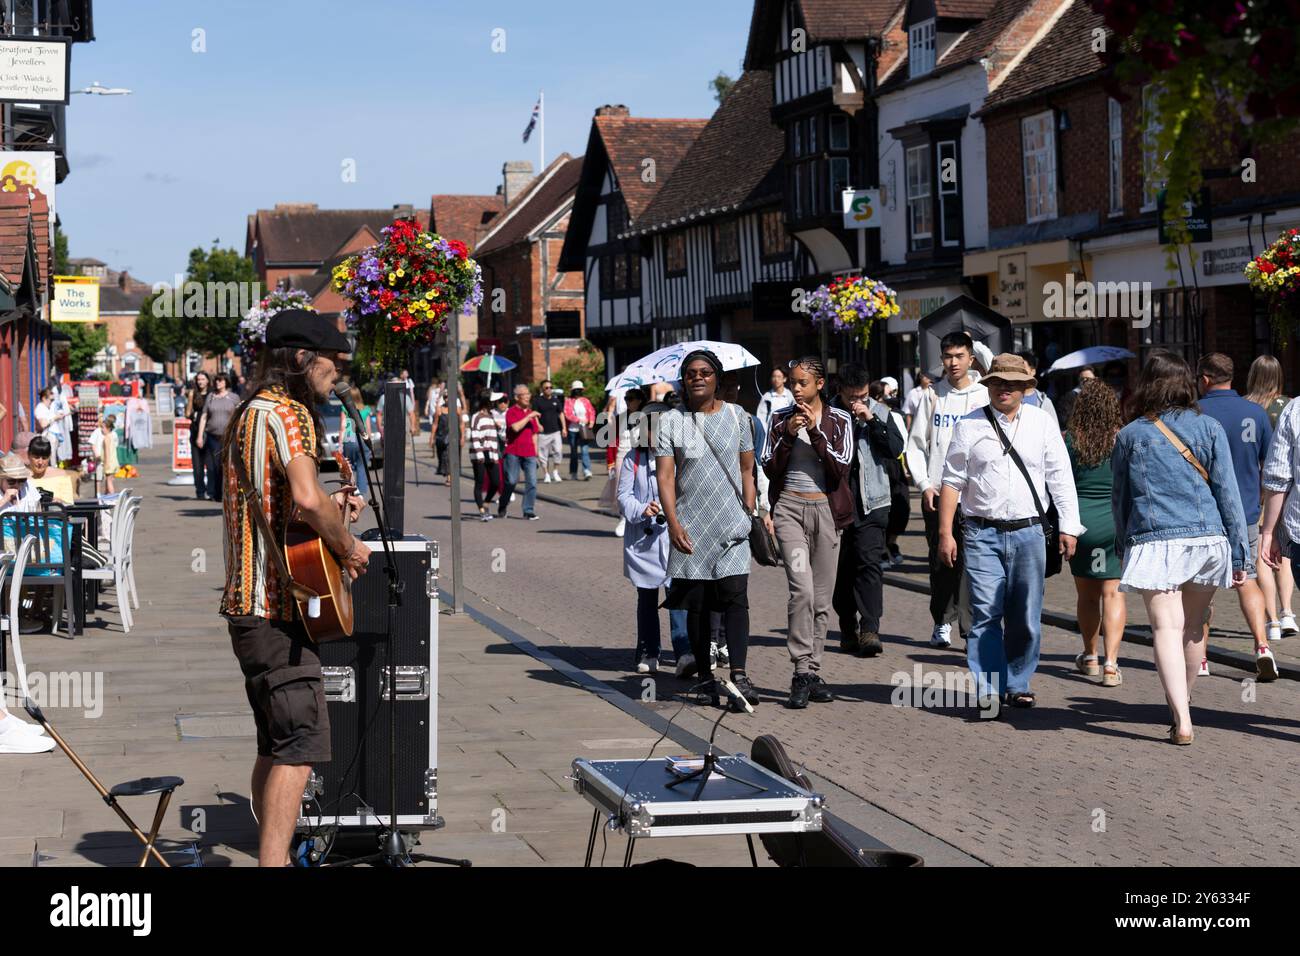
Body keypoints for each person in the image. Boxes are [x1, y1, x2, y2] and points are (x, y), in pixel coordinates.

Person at [220, 308, 371, 866]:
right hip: (277, 607)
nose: (339, 371)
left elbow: (289, 511)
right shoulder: (290, 414)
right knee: (301, 746)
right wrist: (349, 546)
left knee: (274, 742)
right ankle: (274, 863)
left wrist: (337, 512)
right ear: (304, 359)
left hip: (247, 605)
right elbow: (308, 500)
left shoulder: (246, 412)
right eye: (332, 360)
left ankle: (271, 850)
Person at [1112, 351, 1249, 745]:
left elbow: (1120, 499)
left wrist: (1123, 546)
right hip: (1206, 538)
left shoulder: (1130, 435)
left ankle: (1183, 718)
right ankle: (1183, 705)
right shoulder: (1208, 428)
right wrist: (1239, 552)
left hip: (1154, 540)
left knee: (1165, 628)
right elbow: (1228, 493)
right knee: (1193, 628)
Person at [939, 354, 1082, 710]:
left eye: (1012, 383)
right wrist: (945, 533)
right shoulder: (968, 426)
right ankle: (989, 688)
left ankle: (1018, 682)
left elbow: (1060, 476)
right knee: (985, 612)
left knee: (1025, 614)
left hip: (1030, 533)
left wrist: (1069, 526)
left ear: (1025, 388)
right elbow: (952, 481)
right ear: (988, 386)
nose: (1004, 389)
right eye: (998, 382)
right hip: (981, 532)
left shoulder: (1042, 423)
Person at [657, 349, 758, 711]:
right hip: (691, 527)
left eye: (705, 372)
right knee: (697, 606)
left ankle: (740, 675)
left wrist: (749, 510)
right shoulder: (670, 422)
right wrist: (673, 523)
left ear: (717, 378)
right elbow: (665, 477)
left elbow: (748, 469)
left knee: (735, 597)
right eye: (690, 373)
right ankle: (704, 676)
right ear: (683, 381)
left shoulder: (738, 417)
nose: (697, 378)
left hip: (731, 523)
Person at [763, 357, 853, 708]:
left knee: (821, 598)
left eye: (801, 382)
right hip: (789, 511)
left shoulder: (839, 419)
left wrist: (815, 431)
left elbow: (840, 468)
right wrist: (788, 436)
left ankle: (813, 671)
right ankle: (801, 670)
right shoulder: (778, 419)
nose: (795, 388)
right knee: (801, 590)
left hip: (826, 513)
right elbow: (769, 467)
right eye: (791, 381)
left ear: (819, 384)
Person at [1195, 353, 1278, 680]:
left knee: (1203, 589)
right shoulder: (1255, 413)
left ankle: (1200, 659)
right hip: (1245, 512)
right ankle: (1261, 646)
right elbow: (1270, 465)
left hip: (1206, 515)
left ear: (1204, 379)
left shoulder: (1196, 412)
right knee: (1248, 580)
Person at [905, 330, 988, 648]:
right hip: (939, 493)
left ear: (970, 358)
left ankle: (969, 627)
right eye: (947, 356)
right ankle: (942, 621)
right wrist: (924, 484)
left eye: (959, 356)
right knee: (942, 561)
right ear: (941, 359)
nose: (953, 363)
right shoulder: (932, 395)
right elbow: (916, 445)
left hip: (975, 494)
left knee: (973, 562)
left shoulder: (983, 394)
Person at [830, 363, 904, 658]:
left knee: (869, 564)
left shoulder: (881, 412)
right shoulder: (826, 413)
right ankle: (847, 628)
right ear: (840, 391)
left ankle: (870, 628)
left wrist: (872, 421)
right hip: (835, 505)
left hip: (872, 502)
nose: (857, 402)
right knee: (841, 570)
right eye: (852, 397)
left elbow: (895, 449)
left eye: (862, 395)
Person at [618, 403, 693, 675]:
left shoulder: (681, 457)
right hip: (645, 541)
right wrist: (641, 509)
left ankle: (684, 652)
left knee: (677, 596)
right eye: (649, 426)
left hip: (673, 536)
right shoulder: (632, 459)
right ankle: (649, 650)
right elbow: (623, 497)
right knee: (647, 597)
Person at [1065, 380, 1126, 686]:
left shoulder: (1071, 440)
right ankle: (1111, 665)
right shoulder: (1122, 438)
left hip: (1081, 523)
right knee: (1113, 593)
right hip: (1114, 521)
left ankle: (1090, 656)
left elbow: (1060, 483)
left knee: (1086, 596)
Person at [1245, 355, 1297, 642]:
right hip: (1284, 487)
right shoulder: (1288, 406)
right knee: (1284, 549)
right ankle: (1288, 611)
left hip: (1255, 486)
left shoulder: (1245, 406)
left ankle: (1272, 620)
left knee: (1262, 553)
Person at [500, 384, 542, 520]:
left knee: (532, 482)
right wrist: (529, 417)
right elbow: (515, 428)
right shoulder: (511, 412)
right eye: (525, 394)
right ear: (517, 397)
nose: (528, 396)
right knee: (511, 481)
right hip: (513, 452)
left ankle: (528, 510)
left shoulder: (530, 413)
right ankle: (503, 504)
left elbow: (535, 434)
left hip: (529, 453)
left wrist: (536, 454)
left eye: (528, 394)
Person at [198, 373, 240, 502]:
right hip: (212, 436)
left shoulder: (233, 397)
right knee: (213, 466)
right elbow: (204, 416)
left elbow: (238, 416)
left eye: (220, 381)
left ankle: (226, 493)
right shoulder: (211, 397)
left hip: (228, 437)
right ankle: (215, 493)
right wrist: (200, 436)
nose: (217, 383)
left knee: (225, 466)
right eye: (216, 381)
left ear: (226, 382)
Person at [467, 393, 502, 521]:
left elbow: (494, 437)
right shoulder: (476, 416)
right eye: (493, 401)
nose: (495, 403)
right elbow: (475, 436)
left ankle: (486, 502)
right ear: (487, 402)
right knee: (480, 482)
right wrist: (479, 454)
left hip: (491, 453)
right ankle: (482, 510)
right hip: (479, 453)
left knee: (495, 481)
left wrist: (498, 428)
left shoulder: (491, 416)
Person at [338, 385, 372, 498]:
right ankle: (360, 493)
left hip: (349, 437)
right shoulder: (366, 409)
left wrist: (340, 444)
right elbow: (368, 427)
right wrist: (369, 442)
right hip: (362, 438)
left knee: (349, 466)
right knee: (362, 466)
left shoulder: (345, 408)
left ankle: (350, 489)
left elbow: (343, 426)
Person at [27, 435, 80, 504]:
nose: (40, 462)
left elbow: (69, 504)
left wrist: (59, 502)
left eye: (44, 458)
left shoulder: (62, 476)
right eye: (36, 457)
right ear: (29, 455)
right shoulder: (21, 477)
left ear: (50, 456)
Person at [533, 379, 567, 483]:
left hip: (555, 431)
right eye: (546, 388)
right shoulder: (538, 401)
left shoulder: (556, 400)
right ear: (542, 389)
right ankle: (546, 474)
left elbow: (561, 414)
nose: (549, 389)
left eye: (550, 387)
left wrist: (564, 428)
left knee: (558, 451)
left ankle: (555, 471)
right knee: (543, 455)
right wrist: (538, 424)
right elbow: (534, 414)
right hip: (543, 433)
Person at [186, 371, 212, 500]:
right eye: (198, 379)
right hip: (196, 430)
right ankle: (200, 491)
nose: (200, 382)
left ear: (208, 380)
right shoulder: (193, 393)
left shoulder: (212, 394)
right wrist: (190, 399)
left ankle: (212, 490)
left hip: (210, 431)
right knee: (197, 465)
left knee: (211, 464)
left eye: (203, 379)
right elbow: (187, 413)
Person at [564, 381, 595, 480]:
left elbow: (591, 411)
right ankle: (573, 472)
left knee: (584, 450)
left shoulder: (585, 401)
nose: (578, 391)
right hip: (573, 429)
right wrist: (578, 420)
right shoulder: (568, 401)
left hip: (584, 429)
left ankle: (587, 471)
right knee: (573, 452)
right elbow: (567, 414)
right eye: (576, 390)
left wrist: (591, 421)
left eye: (579, 390)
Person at [1017, 351, 1058, 425]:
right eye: (1016, 370)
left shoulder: (1044, 402)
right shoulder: (1006, 398)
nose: (1019, 373)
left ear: (1033, 371)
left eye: (1022, 369)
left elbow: (1054, 432)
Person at [757, 367, 796, 435]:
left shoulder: (790, 396)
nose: (776, 379)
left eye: (779, 377)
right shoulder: (767, 397)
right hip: (770, 433)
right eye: (774, 376)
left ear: (784, 379)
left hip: (787, 432)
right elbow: (761, 417)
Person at [96, 416, 120, 495]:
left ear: (108, 428)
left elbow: (107, 452)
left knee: (109, 481)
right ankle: (107, 496)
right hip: (113, 462)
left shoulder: (106, 438)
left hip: (109, 462)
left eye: (103, 427)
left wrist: (106, 464)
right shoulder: (111, 436)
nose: (101, 429)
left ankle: (112, 498)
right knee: (109, 480)